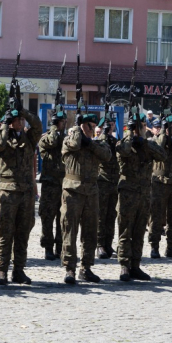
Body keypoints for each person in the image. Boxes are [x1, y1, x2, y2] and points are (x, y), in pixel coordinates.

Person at [0, 104, 43, 285]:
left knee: (23, 232)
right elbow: (0, 145)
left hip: (26, 192)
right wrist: (5, 123)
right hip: (8, 191)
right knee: (5, 232)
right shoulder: (0, 136)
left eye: (21, 119)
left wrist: (24, 112)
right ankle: (2, 270)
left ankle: (19, 270)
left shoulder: (28, 138)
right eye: (17, 119)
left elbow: (38, 126)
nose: (20, 122)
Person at [60, 114, 111, 284]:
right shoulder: (70, 140)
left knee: (90, 231)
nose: (95, 129)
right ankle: (70, 268)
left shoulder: (95, 144)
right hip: (73, 191)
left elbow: (107, 155)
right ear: (84, 126)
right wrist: (76, 128)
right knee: (70, 230)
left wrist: (90, 143)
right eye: (91, 126)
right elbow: (74, 144)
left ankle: (86, 267)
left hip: (91, 192)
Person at [116, 114, 166, 281]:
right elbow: (122, 150)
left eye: (143, 126)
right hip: (128, 194)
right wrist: (131, 135)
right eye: (138, 126)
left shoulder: (148, 145)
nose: (141, 129)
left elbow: (162, 155)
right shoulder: (124, 144)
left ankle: (135, 265)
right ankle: (124, 265)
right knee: (125, 231)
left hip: (144, 194)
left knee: (138, 232)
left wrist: (144, 142)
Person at [148, 115, 172, 259]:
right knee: (156, 217)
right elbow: (159, 147)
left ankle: (171, 246)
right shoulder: (154, 141)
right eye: (170, 127)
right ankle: (154, 246)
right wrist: (163, 132)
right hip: (158, 183)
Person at [38, 110, 67, 261]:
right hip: (50, 184)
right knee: (48, 217)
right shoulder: (46, 138)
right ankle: (48, 247)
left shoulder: (66, 139)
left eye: (62, 122)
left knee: (62, 218)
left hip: (63, 183)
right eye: (59, 122)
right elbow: (52, 141)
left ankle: (60, 246)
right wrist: (54, 127)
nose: (61, 125)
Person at [96, 116, 120, 260]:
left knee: (111, 215)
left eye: (112, 124)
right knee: (101, 215)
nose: (111, 126)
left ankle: (108, 243)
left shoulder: (115, 141)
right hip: (102, 182)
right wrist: (104, 134)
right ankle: (99, 244)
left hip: (114, 182)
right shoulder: (100, 140)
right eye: (108, 124)